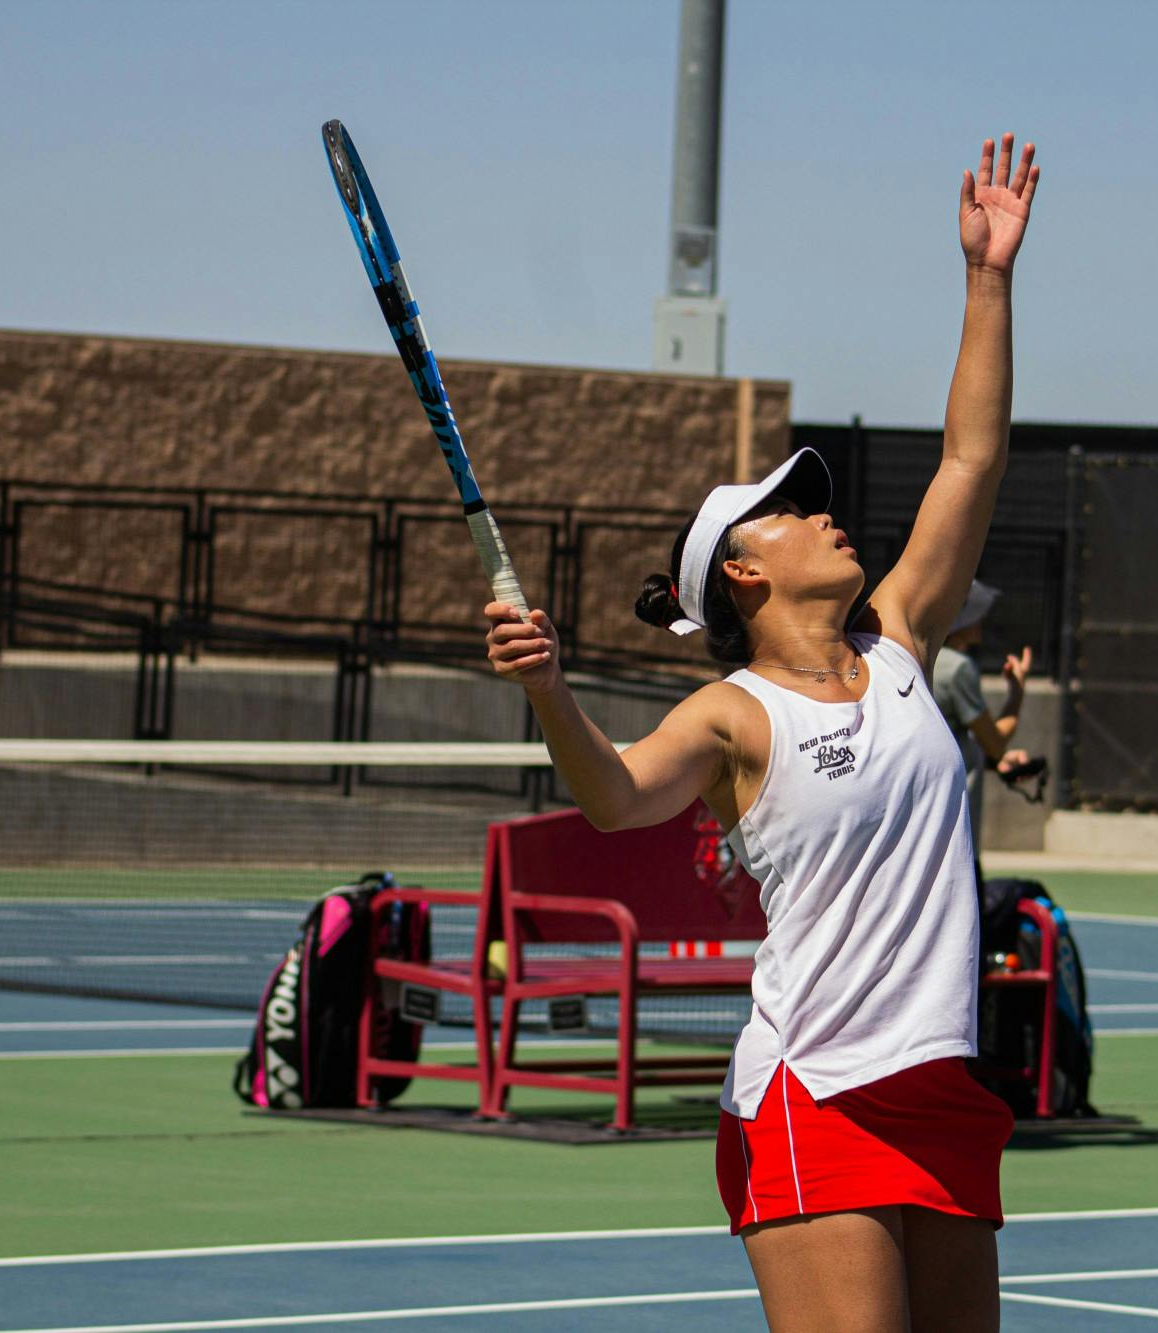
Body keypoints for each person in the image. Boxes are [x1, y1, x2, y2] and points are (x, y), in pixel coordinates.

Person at [484, 134, 1039, 1332]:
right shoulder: (733, 712)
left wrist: (986, 281)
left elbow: (973, 456)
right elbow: (618, 797)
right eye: (791, 511)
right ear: (740, 569)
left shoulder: (901, 644)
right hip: (815, 1096)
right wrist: (548, 694)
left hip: (940, 1088)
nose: (824, 512)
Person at [931, 578, 1032, 859]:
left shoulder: (915, 658)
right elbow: (996, 743)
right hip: (953, 822)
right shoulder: (957, 668)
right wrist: (1017, 692)